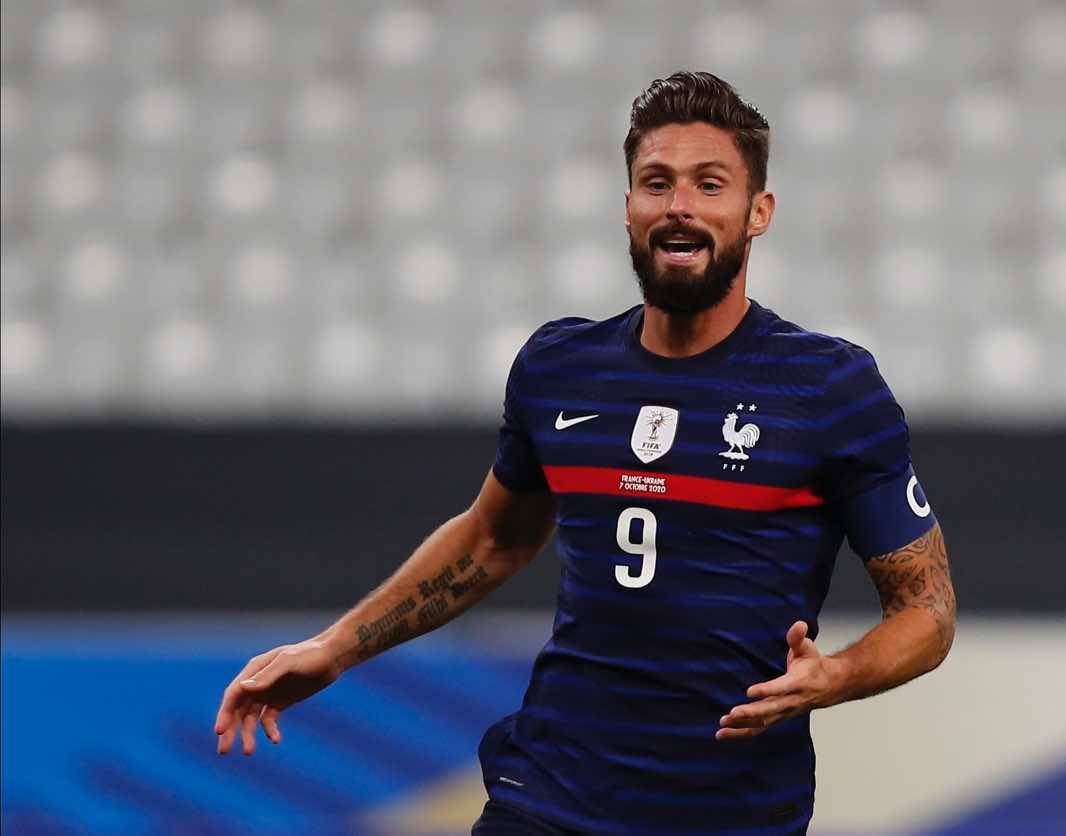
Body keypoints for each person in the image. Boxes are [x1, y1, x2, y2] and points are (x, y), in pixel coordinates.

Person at [215, 71, 956, 835]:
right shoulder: (559, 366)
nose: (679, 205)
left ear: (757, 211)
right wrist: (336, 648)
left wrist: (836, 676)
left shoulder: (829, 387)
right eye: (657, 183)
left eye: (709, 185)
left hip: (732, 814)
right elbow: (493, 538)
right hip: (549, 797)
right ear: (628, 206)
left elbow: (927, 610)